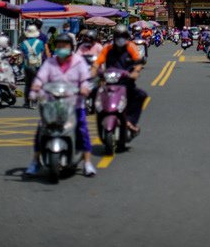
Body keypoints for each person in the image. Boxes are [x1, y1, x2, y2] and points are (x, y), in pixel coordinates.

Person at [26, 33, 96, 177]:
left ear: (71, 47)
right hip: (52, 103)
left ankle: (87, 162)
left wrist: (84, 88)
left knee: (82, 129)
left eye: (64, 45)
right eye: (58, 46)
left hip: (75, 103)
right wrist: (35, 90)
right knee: (42, 129)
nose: (61, 48)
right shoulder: (50, 62)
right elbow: (40, 78)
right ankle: (35, 160)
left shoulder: (79, 62)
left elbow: (85, 79)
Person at [95, 24, 147, 135]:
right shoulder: (107, 48)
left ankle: (130, 121)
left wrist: (135, 72)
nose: (120, 39)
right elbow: (97, 63)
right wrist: (92, 73)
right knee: (95, 95)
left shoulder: (131, 46)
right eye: (118, 36)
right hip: (109, 82)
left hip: (126, 81)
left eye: (123, 36)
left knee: (140, 95)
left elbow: (138, 61)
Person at [19, 23, 49, 108]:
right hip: (37, 66)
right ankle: (35, 102)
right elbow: (42, 53)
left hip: (27, 66)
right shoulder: (40, 42)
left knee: (27, 84)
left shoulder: (24, 43)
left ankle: (27, 102)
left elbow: (22, 55)